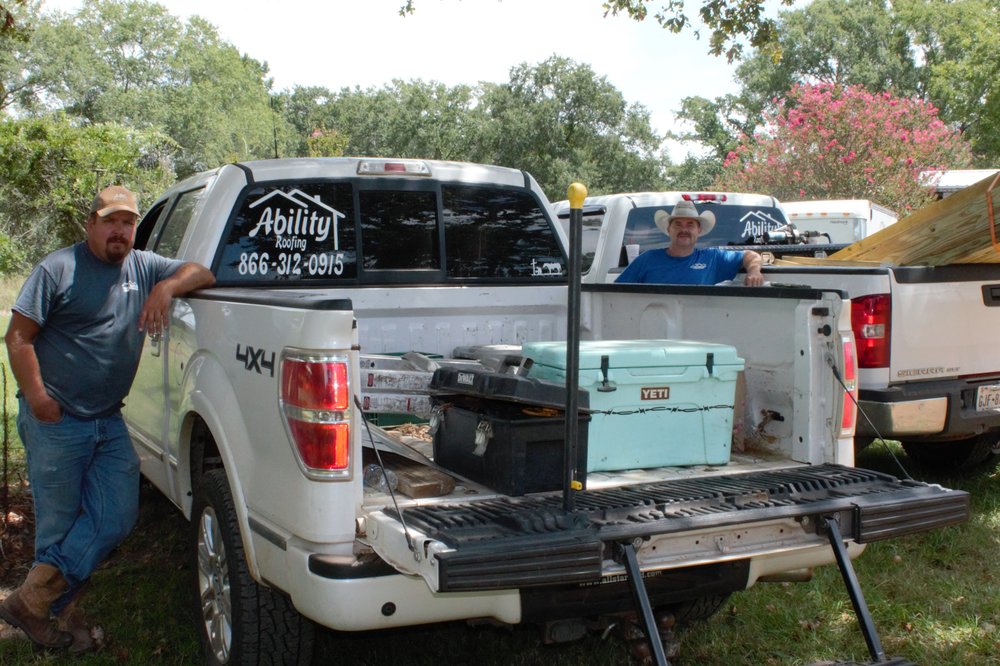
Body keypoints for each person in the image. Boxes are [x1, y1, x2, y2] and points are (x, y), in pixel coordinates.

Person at [0, 185, 215, 652]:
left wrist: (167, 285)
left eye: (128, 223)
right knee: (59, 524)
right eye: (111, 221)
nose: (120, 231)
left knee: (115, 515)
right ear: (91, 223)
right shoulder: (58, 269)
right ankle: (54, 618)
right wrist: (38, 399)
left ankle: (31, 602)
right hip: (58, 418)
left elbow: (204, 272)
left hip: (106, 419)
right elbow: (18, 337)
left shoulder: (143, 265)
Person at [615, 200, 765, 286]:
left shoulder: (712, 258)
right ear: (669, 229)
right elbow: (617, 293)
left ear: (699, 230)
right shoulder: (647, 259)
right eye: (678, 224)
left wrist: (754, 271)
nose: (684, 229)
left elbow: (751, 255)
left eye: (690, 225)